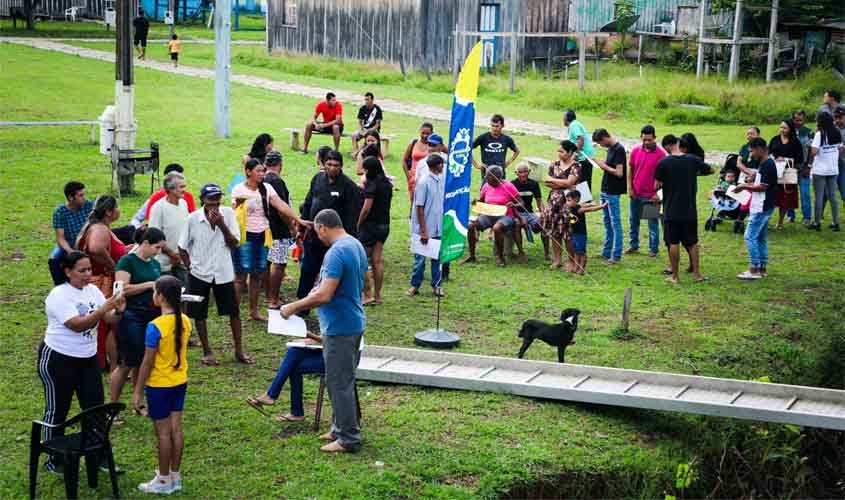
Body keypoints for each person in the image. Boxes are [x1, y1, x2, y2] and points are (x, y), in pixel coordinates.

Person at [281, 209, 368, 453]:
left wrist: (293, 307)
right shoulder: (355, 245)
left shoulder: (336, 252)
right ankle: (339, 427)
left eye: (316, 233)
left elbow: (325, 293)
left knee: (339, 382)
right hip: (350, 321)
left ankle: (348, 438)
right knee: (340, 380)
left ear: (322, 228)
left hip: (341, 327)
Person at [37, 251, 126, 474]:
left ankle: (99, 456)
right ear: (68, 272)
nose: (88, 274)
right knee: (58, 410)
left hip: (87, 359)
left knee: (95, 408)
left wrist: (118, 310)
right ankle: (54, 460)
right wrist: (104, 308)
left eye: (90, 270)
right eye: (82, 270)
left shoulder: (92, 290)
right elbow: (78, 325)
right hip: (59, 359)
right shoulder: (59, 295)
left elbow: (109, 319)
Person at [178, 183, 252, 365]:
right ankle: (207, 351)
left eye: (217, 199)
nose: (215, 203)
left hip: (223, 272)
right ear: (203, 200)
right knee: (200, 314)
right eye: (211, 199)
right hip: (200, 273)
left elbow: (234, 243)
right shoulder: (192, 219)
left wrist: (222, 225)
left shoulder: (228, 214)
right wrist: (190, 267)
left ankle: (239, 350)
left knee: (234, 312)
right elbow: (182, 247)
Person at [133, 276, 191, 494]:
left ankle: (163, 480)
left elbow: (147, 362)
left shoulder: (154, 326)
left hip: (159, 385)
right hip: (179, 381)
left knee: (163, 434)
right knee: (176, 429)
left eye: (154, 292)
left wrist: (138, 391)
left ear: (161, 296)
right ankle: (175, 476)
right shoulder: (185, 320)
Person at [232, 159, 303, 321]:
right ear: (248, 171)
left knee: (257, 274)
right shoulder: (239, 189)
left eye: (263, 171)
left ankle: (254, 311)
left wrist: (297, 220)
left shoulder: (266, 188)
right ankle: (234, 312)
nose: (262, 174)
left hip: (262, 235)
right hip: (244, 236)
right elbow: (236, 211)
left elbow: (281, 205)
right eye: (258, 171)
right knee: (240, 276)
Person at [297, 150, 360, 315]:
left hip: (334, 241)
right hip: (314, 236)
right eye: (329, 164)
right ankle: (302, 308)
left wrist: (348, 240)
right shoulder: (317, 179)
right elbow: (308, 202)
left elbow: (352, 216)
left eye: (336, 165)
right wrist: (301, 228)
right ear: (324, 165)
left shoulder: (348, 186)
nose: (332, 168)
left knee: (332, 275)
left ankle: (334, 308)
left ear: (341, 166)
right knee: (307, 270)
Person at [111, 227, 165, 416]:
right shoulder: (127, 261)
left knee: (143, 361)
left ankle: (138, 401)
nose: (159, 252)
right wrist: (149, 285)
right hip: (131, 315)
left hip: (151, 315)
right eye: (157, 247)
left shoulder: (155, 264)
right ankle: (113, 408)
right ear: (145, 243)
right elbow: (121, 290)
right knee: (126, 362)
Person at [77, 195, 128, 372]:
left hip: (100, 280)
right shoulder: (100, 229)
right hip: (103, 282)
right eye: (117, 207)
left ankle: (105, 362)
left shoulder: (98, 227)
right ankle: (108, 364)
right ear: (108, 212)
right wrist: (112, 266)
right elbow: (96, 248)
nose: (119, 210)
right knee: (107, 324)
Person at [654, 135, 713, 284]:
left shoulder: (663, 162)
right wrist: (692, 174)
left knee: (673, 242)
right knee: (692, 242)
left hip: (671, 209)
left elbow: (656, 186)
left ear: (667, 147)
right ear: (678, 143)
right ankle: (697, 274)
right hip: (689, 209)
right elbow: (710, 170)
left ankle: (675, 276)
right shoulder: (693, 160)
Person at [735, 138, 778, 279]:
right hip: (764, 205)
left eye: (752, 151)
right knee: (760, 238)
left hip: (761, 206)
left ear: (760, 149)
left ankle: (754, 269)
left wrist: (743, 186)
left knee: (749, 237)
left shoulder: (768, 164)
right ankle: (762, 268)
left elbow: (763, 187)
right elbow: (763, 182)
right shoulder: (765, 163)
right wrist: (752, 179)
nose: (751, 154)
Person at [465, 165, 523, 266]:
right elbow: (482, 201)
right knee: (471, 225)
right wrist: (475, 202)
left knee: (497, 228)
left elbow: (521, 203)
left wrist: (513, 204)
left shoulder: (508, 186)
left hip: (505, 215)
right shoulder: (486, 186)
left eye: (489, 179)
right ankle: (472, 256)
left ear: (498, 179)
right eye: (486, 178)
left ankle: (500, 258)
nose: (487, 180)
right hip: (488, 214)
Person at [540, 140, 581, 271]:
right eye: (558, 151)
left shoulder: (576, 166)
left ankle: (572, 260)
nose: (559, 154)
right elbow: (547, 181)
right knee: (554, 232)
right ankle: (557, 259)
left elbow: (570, 182)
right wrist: (561, 183)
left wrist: (555, 182)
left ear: (570, 152)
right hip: (553, 202)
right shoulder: (554, 164)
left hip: (568, 203)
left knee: (568, 233)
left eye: (562, 151)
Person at [408, 154, 445, 297]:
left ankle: (436, 285)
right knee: (420, 260)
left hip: (437, 225)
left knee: (437, 258)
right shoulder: (424, 182)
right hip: (425, 227)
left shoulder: (440, 179)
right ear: (436, 166)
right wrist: (424, 231)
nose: (443, 166)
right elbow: (419, 207)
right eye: (441, 164)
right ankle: (415, 285)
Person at [357, 156, 392, 306]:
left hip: (370, 226)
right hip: (384, 225)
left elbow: (366, 208)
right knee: (377, 260)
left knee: (362, 260)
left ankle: (367, 294)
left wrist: (358, 223)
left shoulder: (372, 185)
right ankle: (378, 295)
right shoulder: (387, 184)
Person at [627, 125, 665, 257]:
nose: (646, 142)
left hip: (651, 196)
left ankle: (653, 249)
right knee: (633, 220)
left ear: (655, 137)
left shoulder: (661, 155)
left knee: (652, 223)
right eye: (644, 140)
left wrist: (657, 194)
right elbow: (630, 170)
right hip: (636, 193)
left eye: (649, 140)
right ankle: (633, 245)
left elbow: (664, 177)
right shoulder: (635, 151)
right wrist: (630, 188)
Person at [591, 128, 627, 264]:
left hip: (613, 191)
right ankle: (606, 252)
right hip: (605, 189)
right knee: (607, 222)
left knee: (615, 223)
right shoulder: (610, 149)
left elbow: (619, 173)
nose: (601, 146)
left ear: (605, 138)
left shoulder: (619, 149)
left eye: (600, 143)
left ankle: (615, 255)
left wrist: (603, 166)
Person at [263, 151, 293, 309]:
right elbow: (282, 209)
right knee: (279, 263)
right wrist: (291, 227)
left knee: (267, 263)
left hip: (263, 227)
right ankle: (273, 299)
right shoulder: (277, 181)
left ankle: (268, 295)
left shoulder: (261, 179)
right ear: (280, 164)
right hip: (278, 228)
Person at [149, 172, 190, 287]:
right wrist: (172, 254)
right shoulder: (158, 208)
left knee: (184, 294)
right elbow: (154, 237)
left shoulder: (183, 203)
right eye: (181, 187)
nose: (184, 190)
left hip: (181, 259)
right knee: (167, 296)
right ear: (170, 189)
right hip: (164, 262)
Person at [49, 181, 93, 285]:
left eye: (84, 194)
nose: (84, 198)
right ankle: (59, 287)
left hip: (87, 240)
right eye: (81, 195)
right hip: (69, 244)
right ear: (71, 198)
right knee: (54, 259)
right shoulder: (60, 212)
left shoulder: (89, 205)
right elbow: (60, 238)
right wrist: (70, 251)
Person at [130, 163, 197, 229]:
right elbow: (147, 223)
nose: (184, 190)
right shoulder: (157, 201)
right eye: (181, 186)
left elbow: (193, 219)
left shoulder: (185, 201)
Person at [809, 112, 843, 231]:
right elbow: (840, 148)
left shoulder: (819, 134)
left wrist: (811, 144)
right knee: (833, 197)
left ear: (820, 122)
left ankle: (817, 223)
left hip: (820, 170)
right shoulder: (837, 132)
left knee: (818, 197)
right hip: (833, 169)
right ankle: (835, 223)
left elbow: (813, 152)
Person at [769, 119, 804, 230]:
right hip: (774, 172)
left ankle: (780, 222)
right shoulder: (774, 139)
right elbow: (768, 152)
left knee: (784, 198)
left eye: (785, 128)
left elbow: (799, 158)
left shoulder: (795, 142)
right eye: (781, 127)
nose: (782, 130)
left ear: (790, 129)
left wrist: (786, 159)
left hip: (787, 174)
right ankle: (765, 220)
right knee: (770, 196)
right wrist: (776, 157)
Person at [562, 191, 606, 275]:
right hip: (574, 234)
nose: (567, 203)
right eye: (566, 200)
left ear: (576, 200)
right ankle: (576, 266)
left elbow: (590, 209)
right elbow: (587, 205)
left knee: (581, 252)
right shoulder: (571, 208)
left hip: (580, 234)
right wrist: (591, 203)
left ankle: (582, 269)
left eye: (569, 200)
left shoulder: (579, 210)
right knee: (576, 251)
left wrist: (602, 206)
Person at [511, 163, 549, 260]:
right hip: (516, 213)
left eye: (525, 171)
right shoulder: (512, 184)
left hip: (529, 213)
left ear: (529, 172)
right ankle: (521, 252)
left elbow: (539, 201)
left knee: (543, 224)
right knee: (517, 224)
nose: (523, 174)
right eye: (520, 172)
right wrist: (519, 217)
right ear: (516, 173)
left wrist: (543, 214)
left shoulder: (534, 184)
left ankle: (547, 253)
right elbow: (510, 205)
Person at [471, 114, 520, 180]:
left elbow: (517, 151)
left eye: (497, 126)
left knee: (501, 190)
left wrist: (508, 162)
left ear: (502, 126)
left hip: (500, 172)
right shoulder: (483, 137)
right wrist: (476, 165)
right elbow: (468, 149)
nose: (494, 128)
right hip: (487, 172)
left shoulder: (507, 139)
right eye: (492, 126)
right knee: (486, 190)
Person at [792, 110, 814, 225]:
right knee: (790, 192)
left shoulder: (809, 132)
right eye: (796, 120)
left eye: (801, 120)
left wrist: (809, 166)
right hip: (791, 168)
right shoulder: (788, 131)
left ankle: (807, 217)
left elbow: (812, 151)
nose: (798, 122)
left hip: (804, 168)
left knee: (805, 193)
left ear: (804, 120)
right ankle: (791, 215)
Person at [402, 122, 433, 202]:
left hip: (428, 179)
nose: (425, 136)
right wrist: (408, 177)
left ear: (432, 133)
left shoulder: (434, 145)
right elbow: (404, 160)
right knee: (413, 203)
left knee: (425, 203)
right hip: (414, 179)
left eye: (428, 134)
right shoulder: (413, 143)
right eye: (423, 133)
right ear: (419, 132)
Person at [564, 110, 595, 189]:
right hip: (585, 156)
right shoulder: (575, 124)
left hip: (584, 157)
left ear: (566, 118)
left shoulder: (574, 125)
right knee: (582, 180)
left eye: (563, 117)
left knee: (583, 180)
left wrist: (576, 154)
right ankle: (582, 198)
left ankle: (585, 199)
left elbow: (581, 138)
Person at [834, 106, 845, 206]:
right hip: (833, 164)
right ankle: (819, 215)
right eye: (836, 117)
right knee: (825, 192)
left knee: (843, 189)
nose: (837, 120)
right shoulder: (832, 128)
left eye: (840, 117)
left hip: (843, 165)